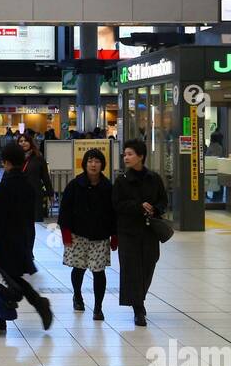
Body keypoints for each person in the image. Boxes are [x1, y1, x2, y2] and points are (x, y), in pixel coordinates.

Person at [0, 141, 53, 333]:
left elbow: (0, 217)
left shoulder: (6, 185)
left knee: (4, 278)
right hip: (21, 238)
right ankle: (2, 317)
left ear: (6, 162)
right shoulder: (28, 184)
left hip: (4, 241)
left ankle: (38, 304)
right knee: (8, 277)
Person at [113, 137, 167, 327]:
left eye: (130, 154)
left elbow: (163, 201)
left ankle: (139, 298)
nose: (126, 158)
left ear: (141, 156)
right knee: (131, 269)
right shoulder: (122, 181)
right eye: (125, 154)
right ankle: (138, 307)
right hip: (128, 232)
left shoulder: (154, 178)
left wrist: (155, 209)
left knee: (148, 266)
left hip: (149, 231)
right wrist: (138, 206)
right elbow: (117, 205)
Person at [59, 148, 116, 321]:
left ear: (102, 165)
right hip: (78, 234)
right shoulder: (75, 185)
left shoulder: (108, 187)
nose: (93, 164)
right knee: (79, 268)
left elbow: (114, 213)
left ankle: (98, 307)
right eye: (90, 161)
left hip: (100, 235)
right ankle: (77, 295)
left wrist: (115, 235)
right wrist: (66, 234)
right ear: (84, 163)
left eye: (97, 161)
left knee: (99, 271)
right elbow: (65, 211)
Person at [19, 132, 54, 221]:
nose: (23, 143)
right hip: (18, 193)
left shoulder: (38, 158)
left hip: (34, 194)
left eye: (26, 141)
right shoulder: (15, 158)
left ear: (30, 142)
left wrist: (50, 193)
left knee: (36, 221)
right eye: (21, 141)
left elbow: (45, 177)